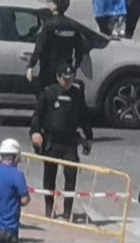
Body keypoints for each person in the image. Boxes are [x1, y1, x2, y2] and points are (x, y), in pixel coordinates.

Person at [29, 65, 93, 221]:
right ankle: (49, 209)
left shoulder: (77, 95)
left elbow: (84, 117)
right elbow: (37, 115)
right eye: (65, 78)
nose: (68, 82)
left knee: (71, 175)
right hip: (51, 141)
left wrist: (88, 137)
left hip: (70, 142)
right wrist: (35, 132)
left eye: (71, 78)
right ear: (58, 77)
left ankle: (67, 212)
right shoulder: (48, 93)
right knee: (49, 176)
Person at [26, 0, 87, 85]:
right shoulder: (73, 26)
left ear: (55, 6)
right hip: (65, 67)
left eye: (52, 2)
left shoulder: (49, 25)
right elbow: (80, 48)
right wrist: (76, 66)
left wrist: (31, 65)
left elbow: (39, 47)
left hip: (48, 68)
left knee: (46, 94)